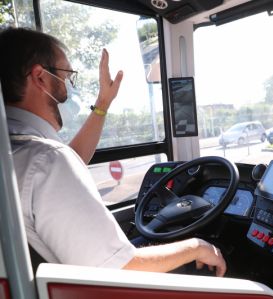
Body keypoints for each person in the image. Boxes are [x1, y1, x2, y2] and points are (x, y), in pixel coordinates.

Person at [0, 27, 226, 276]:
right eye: (66, 76)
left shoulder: (15, 153)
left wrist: (103, 103)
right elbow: (119, 268)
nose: (69, 88)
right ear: (40, 78)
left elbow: (64, 162)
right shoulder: (46, 160)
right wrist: (196, 247)